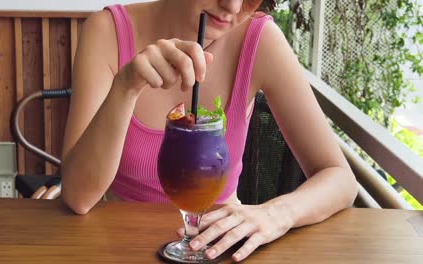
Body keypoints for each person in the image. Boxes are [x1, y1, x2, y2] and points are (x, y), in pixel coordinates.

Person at [61, 0, 358, 262]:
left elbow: (340, 178)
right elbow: (78, 197)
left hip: (217, 249)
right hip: (118, 246)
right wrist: (126, 86)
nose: (232, 6)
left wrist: (277, 213)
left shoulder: (261, 40)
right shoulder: (107, 31)